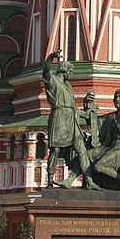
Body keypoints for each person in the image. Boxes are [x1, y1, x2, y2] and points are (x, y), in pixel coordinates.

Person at [43, 51, 95, 189]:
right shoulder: (53, 81)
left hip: (71, 120)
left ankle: (89, 180)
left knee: (81, 149)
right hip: (59, 118)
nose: (71, 74)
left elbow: (73, 108)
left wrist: (86, 112)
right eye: (70, 71)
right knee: (56, 150)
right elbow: (46, 71)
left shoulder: (68, 86)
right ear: (64, 70)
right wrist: (50, 58)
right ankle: (49, 179)